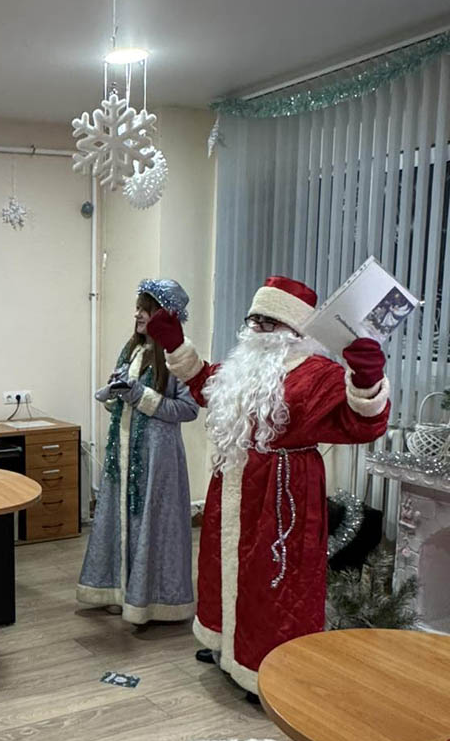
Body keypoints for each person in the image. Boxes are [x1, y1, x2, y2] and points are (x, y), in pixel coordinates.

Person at [148, 275, 390, 702]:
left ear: (295, 329)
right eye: (254, 319)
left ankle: (267, 667)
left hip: (283, 492)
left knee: (275, 582)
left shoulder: (318, 373)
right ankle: (225, 642)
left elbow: (362, 424)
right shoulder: (244, 364)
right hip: (233, 482)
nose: (257, 328)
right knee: (223, 567)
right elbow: (207, 387)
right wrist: (176, 345)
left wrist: (366, 382)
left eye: (268, 321)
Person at [77, 279, 198, 624]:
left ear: (165, 315)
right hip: (125, 451)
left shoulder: (179, 355)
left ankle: (152, 602)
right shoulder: (132, 349)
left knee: (151, 524)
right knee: (121, 519)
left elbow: (188, 409)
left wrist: (140, 396)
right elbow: (125, 399)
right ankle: (119, 591)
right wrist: (114, 393)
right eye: (138, 309)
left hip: (158, 458)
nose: (138, 315)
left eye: (146, 309)